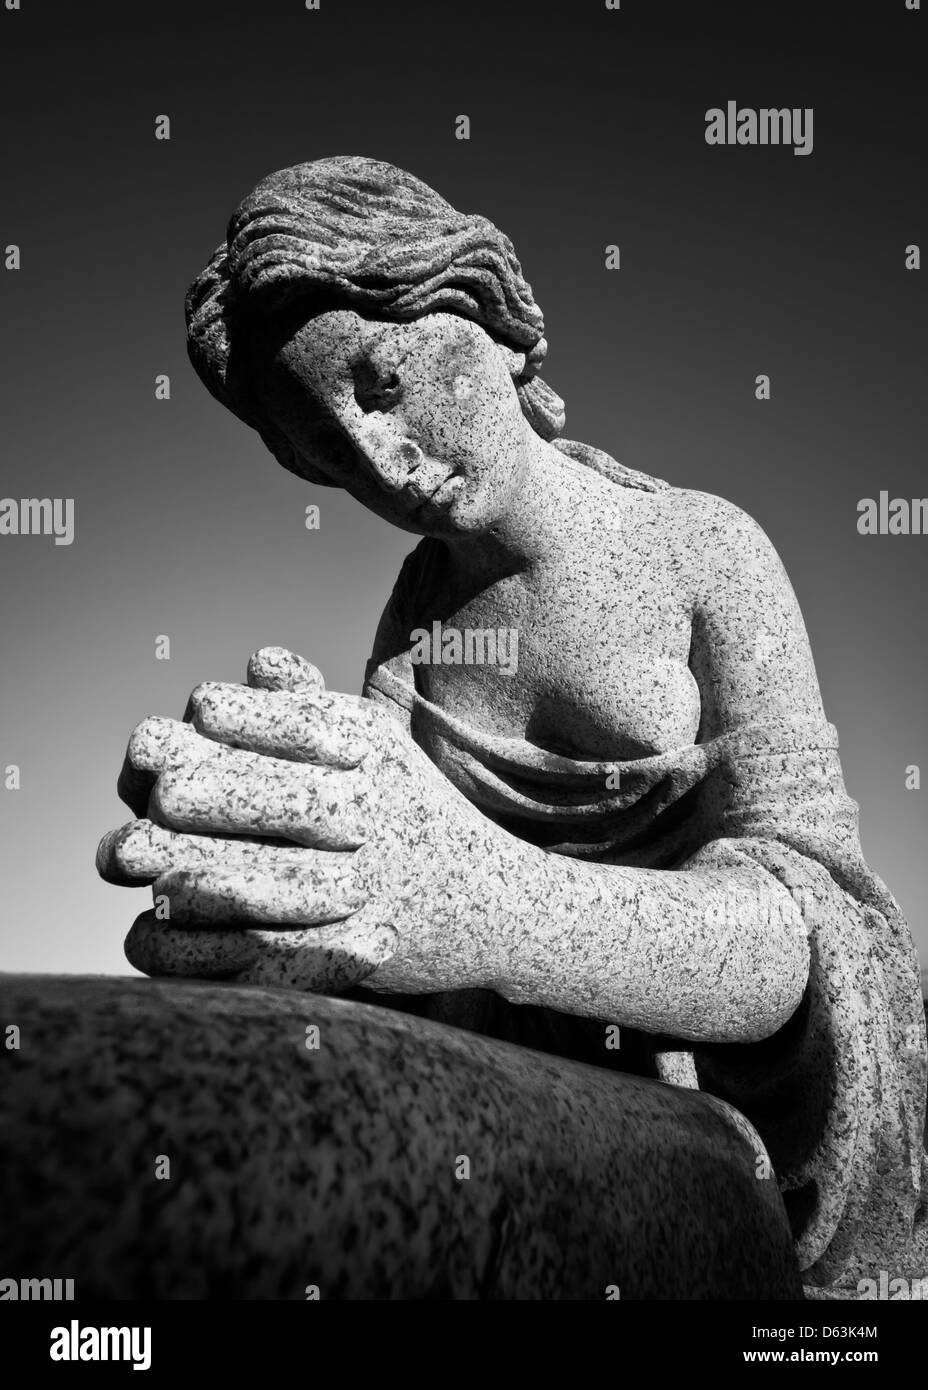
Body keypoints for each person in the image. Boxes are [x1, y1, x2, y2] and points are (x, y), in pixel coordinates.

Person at [96, 155, 927, 1298]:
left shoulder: (700, 551)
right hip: (517, 1142)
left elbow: (816, 942)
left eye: (381, 386)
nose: (381, 464)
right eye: (327, 454)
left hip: (706, 1143)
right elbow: (392, 926)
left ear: (481, 307)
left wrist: (488, 901)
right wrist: (283, 905)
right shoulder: (417, 622)